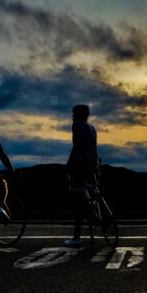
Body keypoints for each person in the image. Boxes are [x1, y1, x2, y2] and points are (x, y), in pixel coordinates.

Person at [63, 104, 99, 248]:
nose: (72, 117)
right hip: (91, 166)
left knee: (78, 200)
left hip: (80, 166)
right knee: (89, 196)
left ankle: (76, 237)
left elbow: (76, 146)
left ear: (77, 115)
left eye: (73, 114)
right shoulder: (92, 128)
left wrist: (68, 165)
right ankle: (93, 217)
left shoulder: (77, 125)